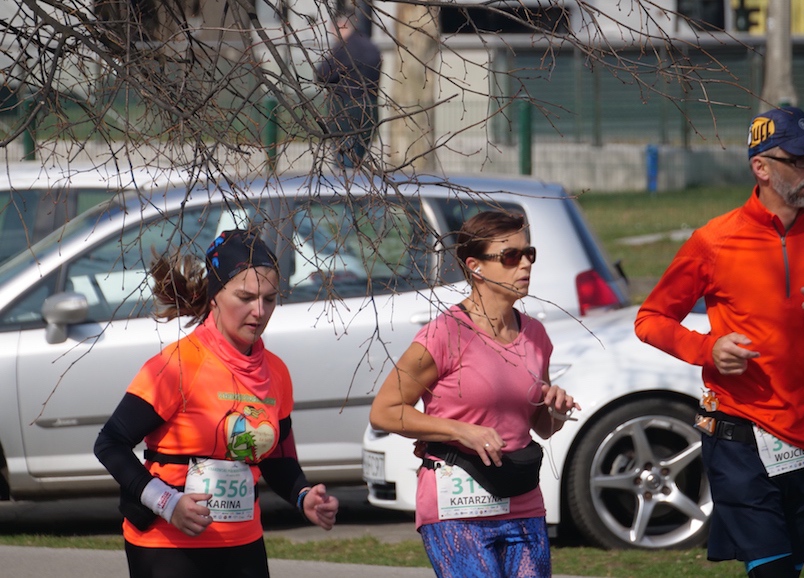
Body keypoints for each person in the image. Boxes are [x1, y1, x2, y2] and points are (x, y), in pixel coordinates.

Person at [634, 106, 804, 577]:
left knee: (789, 565)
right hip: (739, 434)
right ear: (761, 167)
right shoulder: (715, 240)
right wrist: (708, 349)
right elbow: (651, 319)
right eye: (800, 161)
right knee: (771, 568)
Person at [95, 229, 339, 578]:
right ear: (214, 297)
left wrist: (304, 496)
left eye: (270, 299)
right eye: (246, 297)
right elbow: (110, 443)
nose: (259, 311)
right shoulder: (177, 365)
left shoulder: (276, 372)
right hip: (168, 545)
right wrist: (167, 503)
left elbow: (278, 459)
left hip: (242, 544)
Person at [369, 211, 580, 578]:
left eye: (528, 253)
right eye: (510, 256)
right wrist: (460, 430)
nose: (525, 264)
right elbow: (385, 410)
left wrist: (556, 410)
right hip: (457, 508)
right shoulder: (445, 333)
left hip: (521, 500)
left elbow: (541, 427)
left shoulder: (535, 335)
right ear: (475, 266)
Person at [316, 8, 382, 168]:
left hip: (344, 109)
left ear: (342, 26)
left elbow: (322, 74)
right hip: (369, 108)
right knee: (357, 155)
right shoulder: (371, 47)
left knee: (344, 161)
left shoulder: (344, 48)